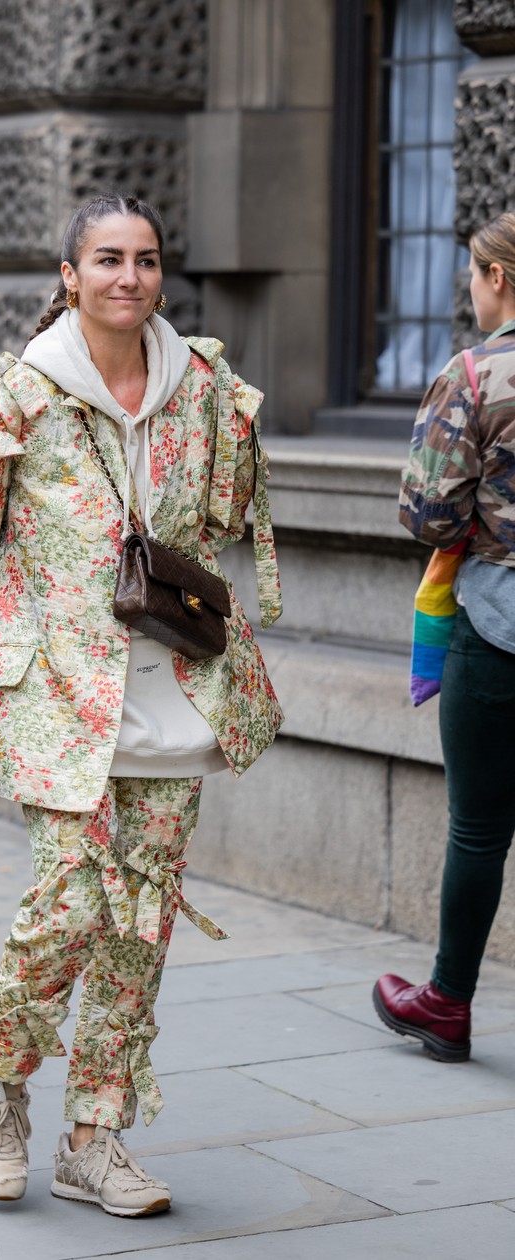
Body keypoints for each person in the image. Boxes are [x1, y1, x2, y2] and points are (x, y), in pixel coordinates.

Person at [0, 193, 283, 1215]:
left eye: (146, 259)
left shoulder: (202, 387)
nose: (130, 277)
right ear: (70, 277)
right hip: (53, 691)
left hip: (171, 683)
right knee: (72, 900)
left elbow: (222, 518)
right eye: (108, 259)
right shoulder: (21, 396)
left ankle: (94, 1137)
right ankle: (0, 1081)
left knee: (141, 920)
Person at [374, 210, 515, 1063]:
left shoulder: (475, 375)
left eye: (473, 273)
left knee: (480, 828)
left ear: (497, 276)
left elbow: (428, 514)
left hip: (499, 626)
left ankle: (446, 1003)